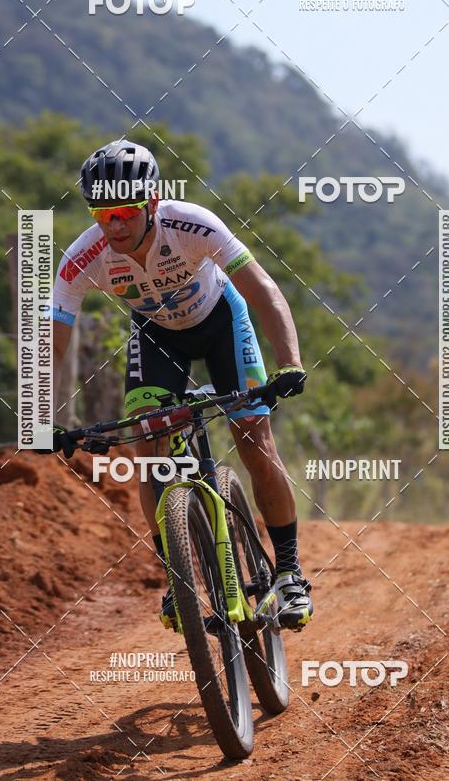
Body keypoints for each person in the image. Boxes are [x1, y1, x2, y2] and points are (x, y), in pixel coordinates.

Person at [50, 139, 313, 630]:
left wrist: (289, 363)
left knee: (254, 439)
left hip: (222, 325)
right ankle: (179, 579)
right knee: (148, 450)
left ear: (151, 203)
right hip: (156, 338)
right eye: (103, 214)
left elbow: (263, 290)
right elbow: (54, 346)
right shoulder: (83, 257)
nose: (116, 226)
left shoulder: (193, 224)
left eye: (126, 212)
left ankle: (289, 571)